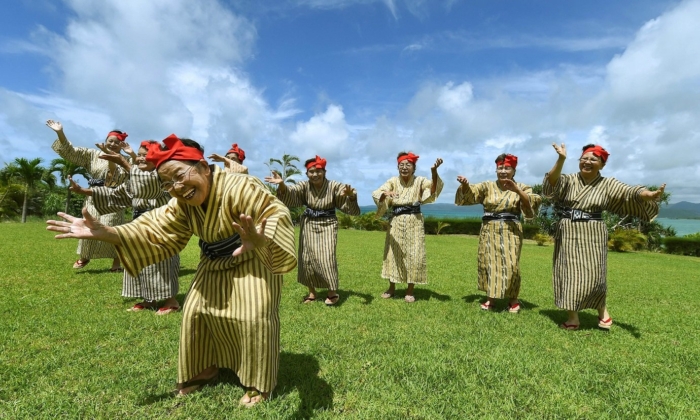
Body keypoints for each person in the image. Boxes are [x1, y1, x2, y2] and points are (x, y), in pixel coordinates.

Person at [47, 134, 296, 406]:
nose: (177, 188)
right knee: (196, 313)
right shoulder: (181, 202)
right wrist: (109, 232)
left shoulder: (241, 186)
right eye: (167, 183)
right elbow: (155, 227)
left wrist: (261, 239)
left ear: (202, 165)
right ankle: (206, 366)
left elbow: (276, 213)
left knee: (253, 316)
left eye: (179, 175)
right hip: (212, 261)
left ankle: (258, 384)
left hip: (254, 258)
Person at [544, 143, 665, 330]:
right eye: (584, 158)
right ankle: (573, 317)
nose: (588, 162)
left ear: (602, 164)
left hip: (593, 232)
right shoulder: (569, 179)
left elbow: (630, 192)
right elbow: (552, 183)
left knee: (595, 275)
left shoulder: (608, 184)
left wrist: (649, 194)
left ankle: (602, 312)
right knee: (567, 272)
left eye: (593, 159)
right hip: (568, 230)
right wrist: (561, 159)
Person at [68, 140, 180, 314]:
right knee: (139, 260)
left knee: (161, 262)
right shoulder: (136, 177)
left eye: (146, 155)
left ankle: (171, 301)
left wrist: (124, 162)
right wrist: (83, 191)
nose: (141, 158)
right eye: (140, 154)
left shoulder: (162, 176)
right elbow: (118, 193)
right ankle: (148, 300)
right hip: (138, 225)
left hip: (161, 227)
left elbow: (148, 186)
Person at [265, 155, 360, 305]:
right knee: (306, 258)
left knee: (326, 257)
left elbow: (347, 195)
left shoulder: (334, 186)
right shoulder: (304, 186)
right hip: (308, 223)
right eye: (311, 171)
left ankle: (332, 292)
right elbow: (291, 194)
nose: (315, 174)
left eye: (318, 171)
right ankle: (312, 293)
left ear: (324, 172)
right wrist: (282, 185)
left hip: (328, 223)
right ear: (307, 173)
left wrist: (352, 197)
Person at [455, 153, 541, 312]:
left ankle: (513, 299)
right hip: (489, 229)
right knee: (489, 262)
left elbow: (532, 202)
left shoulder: (522, 186)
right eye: (500, 168)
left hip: (511, 230)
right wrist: (466, 185)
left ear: (514, 171)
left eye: (507, 168)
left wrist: (517, 190)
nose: (503, 171)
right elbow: (471, 195)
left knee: (511, 264)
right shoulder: (487, 186)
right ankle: (491, 299)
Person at [46, 119, 129, 271]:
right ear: (106, 140)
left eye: (117, 143)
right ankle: (85, 256)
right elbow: (71, 152)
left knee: (113, 228)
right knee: (88, 224)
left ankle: (116, 263)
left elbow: (117, 176)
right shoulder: (93, 155)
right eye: (110, 141)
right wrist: (60, 132)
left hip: (113, 196)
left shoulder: (125, 160)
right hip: (92, 196)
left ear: (121, 146)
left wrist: (110, 156)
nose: (113, 144)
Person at [372, 152, 443, 303]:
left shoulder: (420, 181)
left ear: (413, 167)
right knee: (393, 255)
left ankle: (410, 291)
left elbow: (431, 191)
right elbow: (379, 192)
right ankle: (392, 288)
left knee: (414, 255)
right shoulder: (392, 180)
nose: (404, 168)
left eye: (408, 165)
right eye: (401, 165)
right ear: (398, 167)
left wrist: (434, 172)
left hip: (414, 221)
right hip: (396, 221)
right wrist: (385, 194)